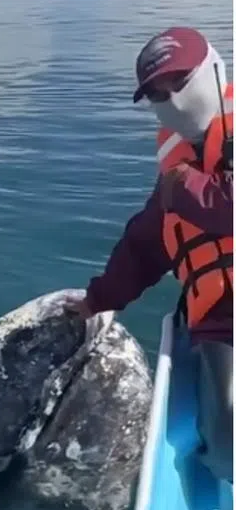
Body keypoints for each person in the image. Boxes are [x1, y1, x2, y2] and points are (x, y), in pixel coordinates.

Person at [65, 26, 233, 483]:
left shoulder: (179, 181)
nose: (172, 100)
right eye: (158, 94)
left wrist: (185, 187)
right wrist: (98, 299)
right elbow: (144, 246)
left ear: (213, 71)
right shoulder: (175, 174)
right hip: (221, 321)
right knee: (227, 431)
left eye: (180, 82)